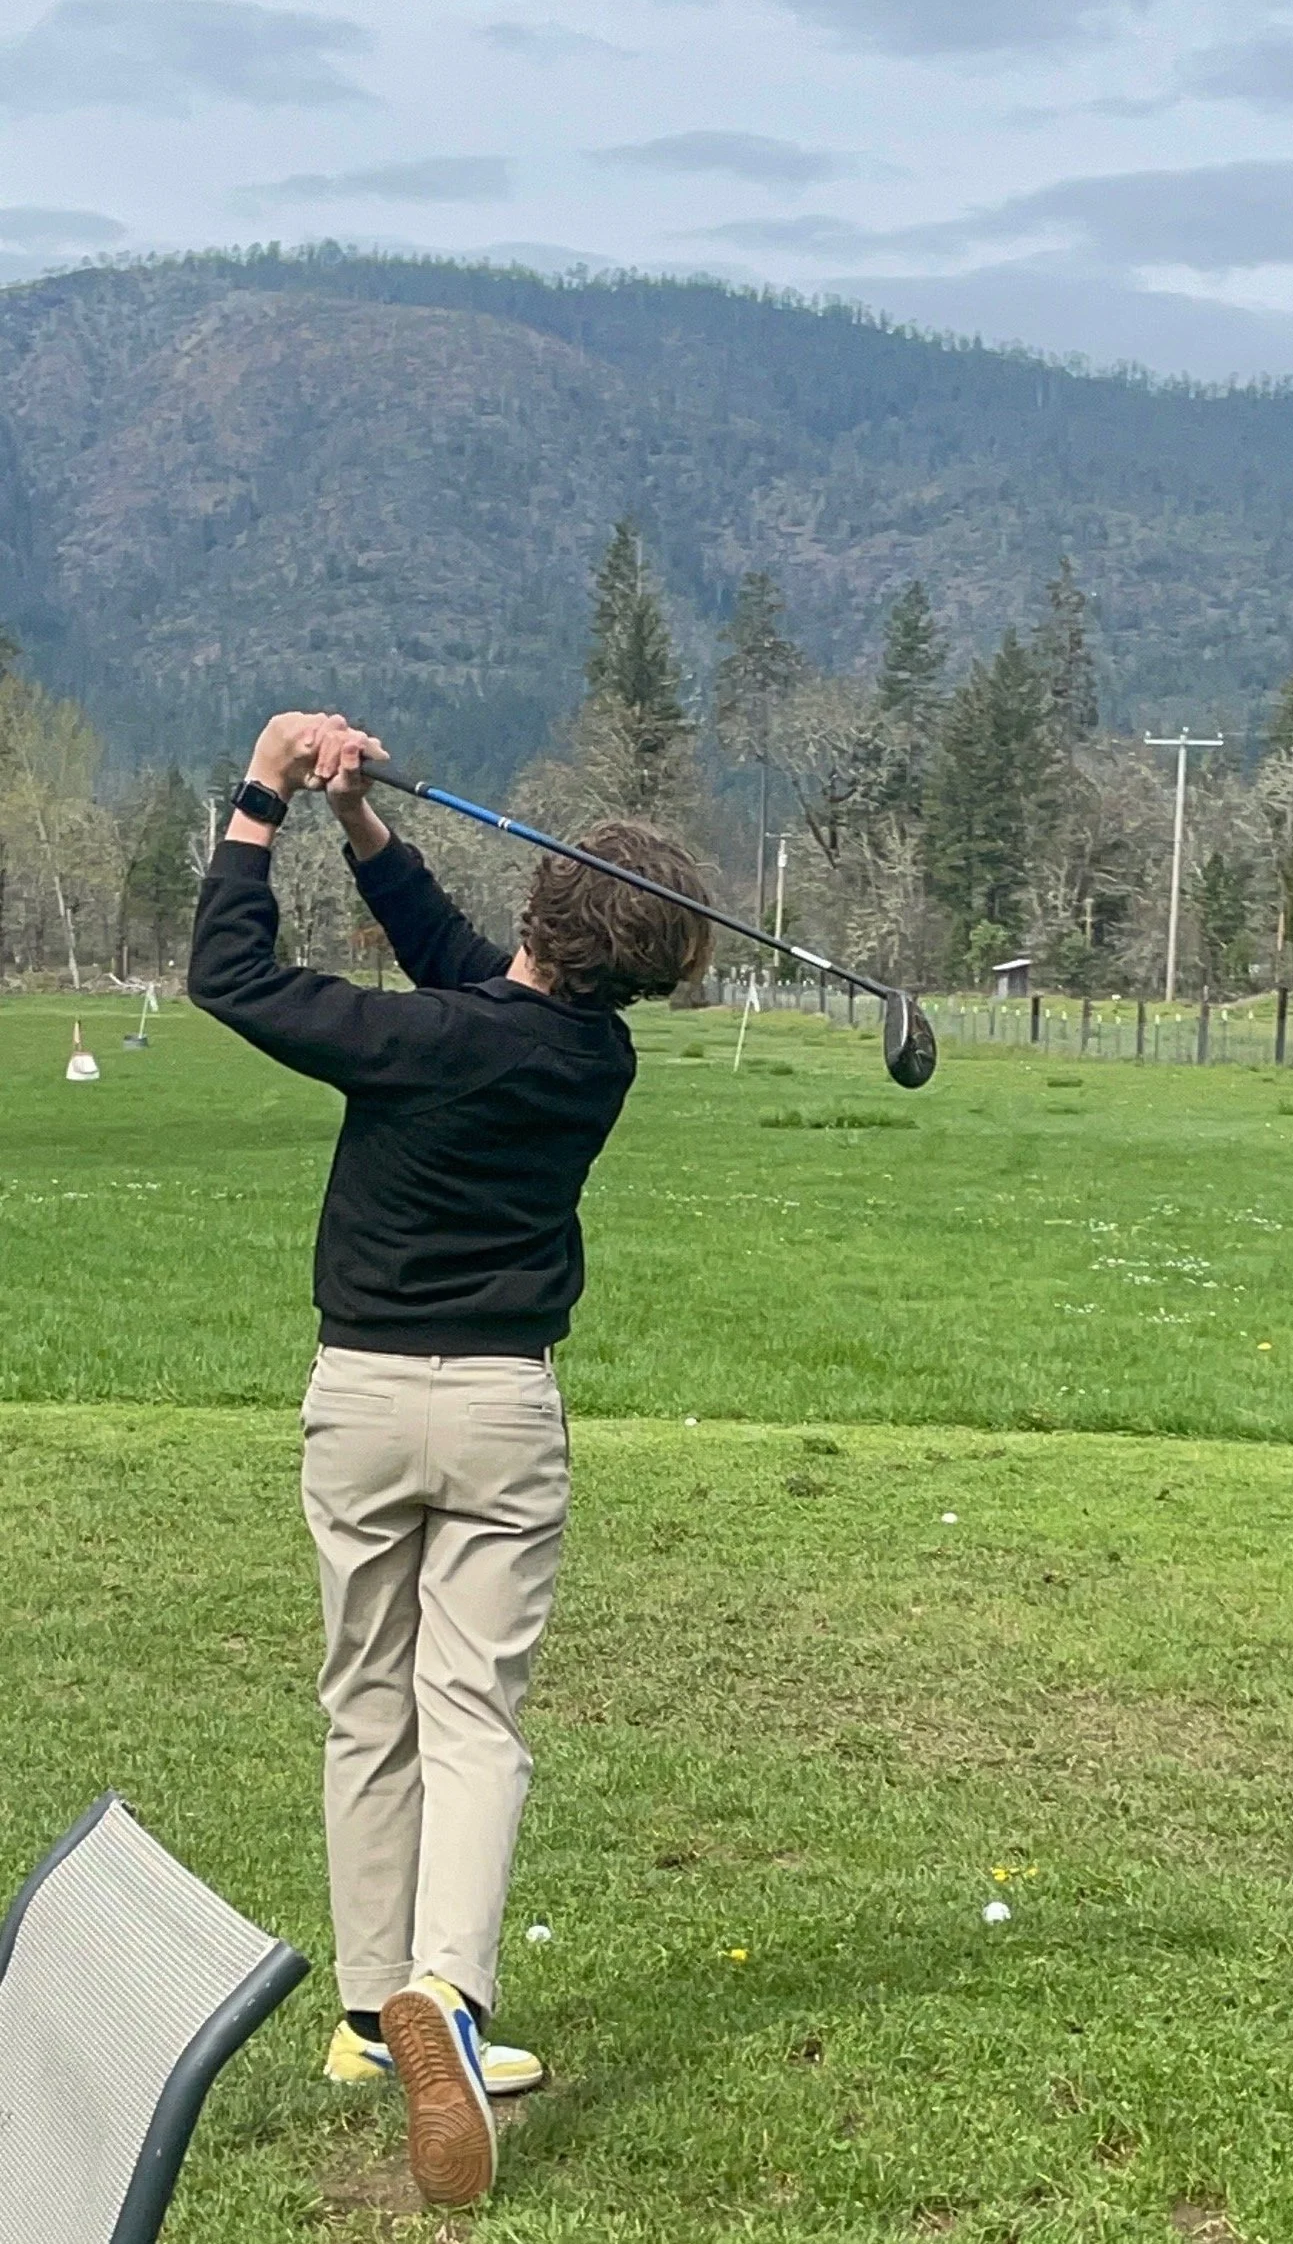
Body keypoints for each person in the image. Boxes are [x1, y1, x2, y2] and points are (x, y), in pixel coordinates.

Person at [188, 710, 712, 2209]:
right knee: (470, 1709)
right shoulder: (583, 1054)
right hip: (500, 1411)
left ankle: (371, 2020)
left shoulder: (431, 1039)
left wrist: (263, 796)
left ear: (539, 913)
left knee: (366, 1696)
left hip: (359, 1402)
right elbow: (466, 965)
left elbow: (229, 975)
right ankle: (448, 2007)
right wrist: (360, 825)